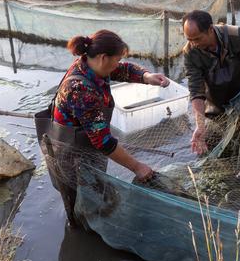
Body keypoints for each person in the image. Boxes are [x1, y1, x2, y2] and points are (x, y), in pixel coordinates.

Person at [35, 30, 170, 226]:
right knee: (78, 204)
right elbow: (103, 142)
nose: (117, 65)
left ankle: (93, 224)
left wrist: (147, 76)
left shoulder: (92, 64)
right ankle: (79, 234)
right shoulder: (80, 89)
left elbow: (122, 69)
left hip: (87, 146)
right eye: (115, 60)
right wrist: (137, 167)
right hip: (70, 156)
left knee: (96, 196)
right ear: (103, 57)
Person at [182, 10, 240, 155]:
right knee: (210, 146)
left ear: (210, 29)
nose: (193, 44)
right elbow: (196, 91)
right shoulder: (190, 52)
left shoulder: (237, 36)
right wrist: (200, 126)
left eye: (196, 39)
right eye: (189, 39)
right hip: (216, 106)